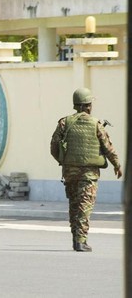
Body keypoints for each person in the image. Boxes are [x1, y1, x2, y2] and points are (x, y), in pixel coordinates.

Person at [50, 87, 122, 252]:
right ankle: (81, 241)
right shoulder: (96, 124)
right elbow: (108, 148)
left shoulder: (64, 122)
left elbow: (54, 147)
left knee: (74, 205)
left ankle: (76, 239)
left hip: (69, 173)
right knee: (84, 206)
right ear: (88, 105)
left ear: (75, 105)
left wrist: (64, 162)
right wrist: (117, 164)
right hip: (89, 174)